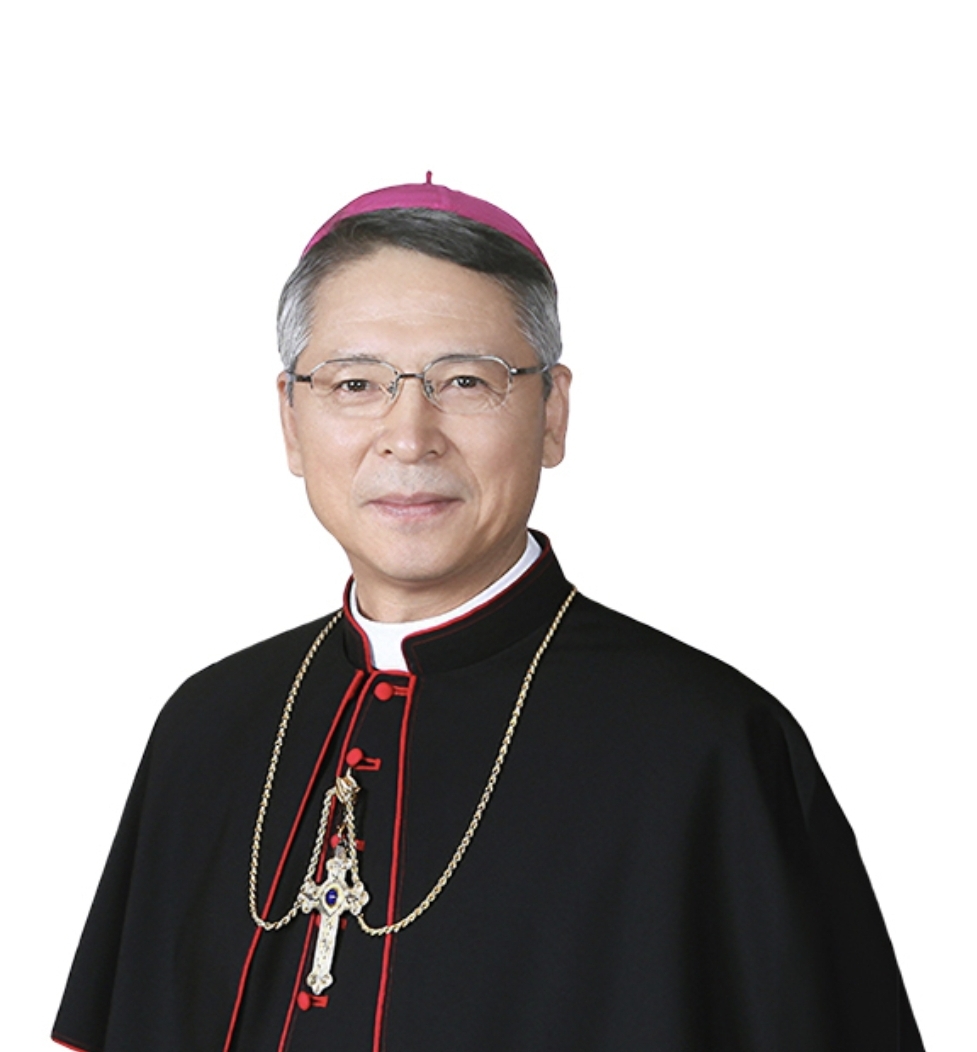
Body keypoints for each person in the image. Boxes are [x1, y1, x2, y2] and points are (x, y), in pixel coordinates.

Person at [53, 176, 925, 1052]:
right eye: (354, 383)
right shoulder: (207, 726)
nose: (408, 436)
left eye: (465, 381)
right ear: (290, 420)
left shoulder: (712, 745)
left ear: (552, 414)